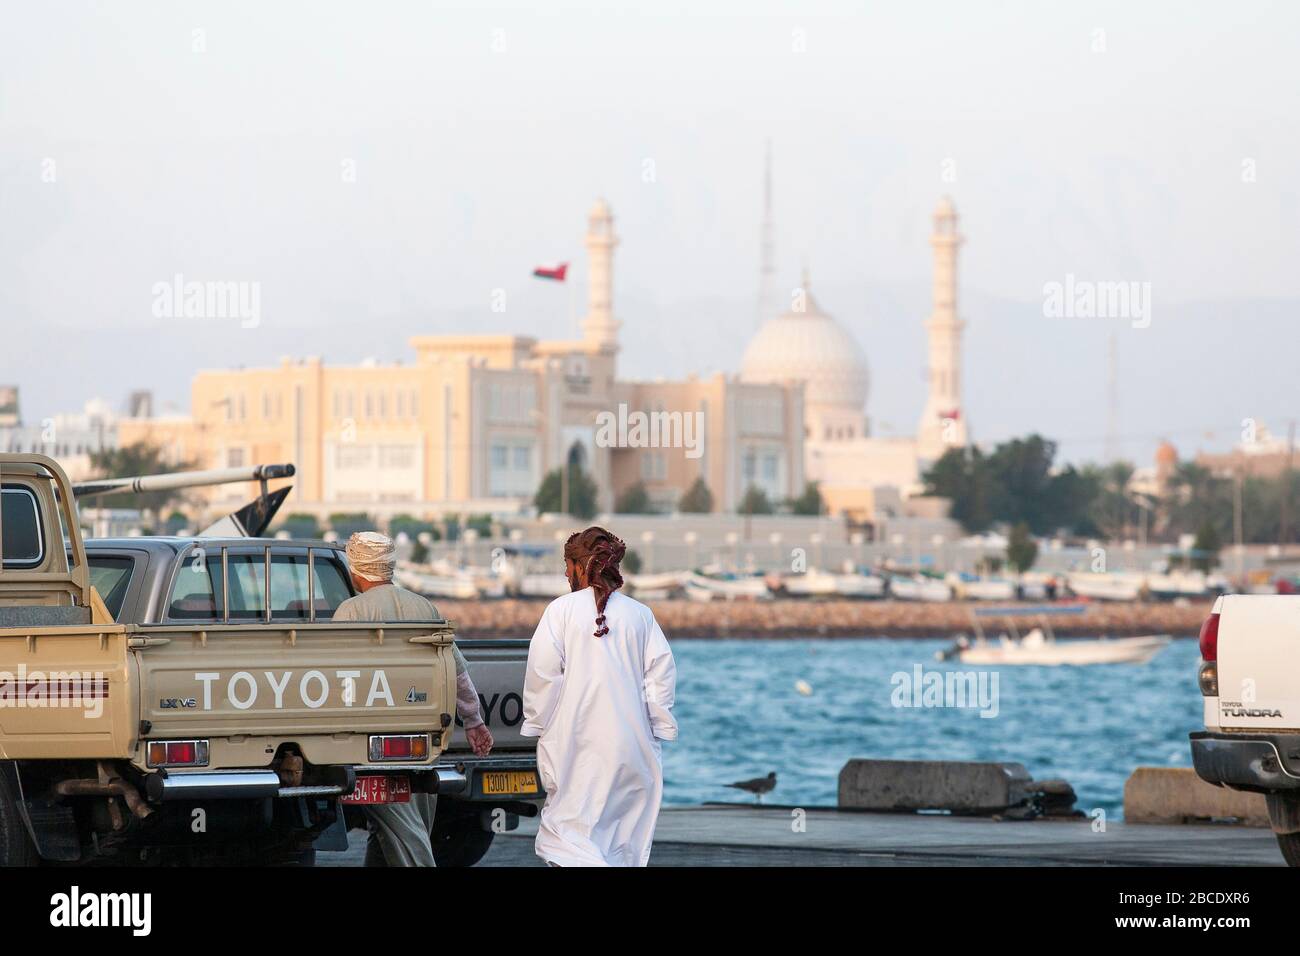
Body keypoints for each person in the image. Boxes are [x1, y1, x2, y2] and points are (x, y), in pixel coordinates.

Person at [334, 531, 493, 867]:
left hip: (372, 744)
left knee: (406, 839)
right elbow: (458, 675)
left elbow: (338, 680)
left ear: (356, 569)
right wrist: (475, 721)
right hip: (424, 742)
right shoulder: (425, 607)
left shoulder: (350, 612)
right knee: (398, 830)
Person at [521, 526, 677, 867]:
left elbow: (543, 674)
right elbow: (660, 674)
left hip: (575, 742)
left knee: (569, 832)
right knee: (620, 836)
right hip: (631, 744)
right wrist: (659, 725)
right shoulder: (641, 615)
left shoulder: (560, 611)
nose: (565, 573)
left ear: (582, 566)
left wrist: (538, 723)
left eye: (567, 564)